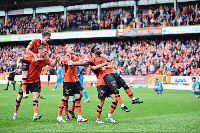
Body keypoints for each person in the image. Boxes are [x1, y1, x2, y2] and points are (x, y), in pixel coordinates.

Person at [13, 46, 59, 120]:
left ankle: (35, 114)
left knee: (35, 98)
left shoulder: (45, 60)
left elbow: (53, 65)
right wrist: (18, 63)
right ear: (40, 51)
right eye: (45, 51)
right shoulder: (31, 56)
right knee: (19, 98)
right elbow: (20, 58)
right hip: (26, 81)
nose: (46, 52)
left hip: (35, 82)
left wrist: (56, 60)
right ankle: (15, 113)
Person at [56, 44, 87, 122]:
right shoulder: (64, 58)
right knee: (65, 99)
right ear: (66, 49)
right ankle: (59, 116)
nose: (73, 48)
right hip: (68, 81)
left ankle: (79, 116)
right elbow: (70, 63)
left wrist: (85, 60)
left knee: (78, 97)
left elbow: (83, 60)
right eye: (71, 47)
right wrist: (82, 62)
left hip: (75, 81)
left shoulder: (75, 57)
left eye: (73, 47)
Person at [21, 31, 51, 98]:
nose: (48, 40)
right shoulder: (35, 41)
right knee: (25, 75)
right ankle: (24, 92)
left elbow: (45, 58)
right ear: (43, 37)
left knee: (37, 76)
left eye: (49, 38)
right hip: (28, 59)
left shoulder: (46, 46)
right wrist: (34, 55)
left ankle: (39, 92)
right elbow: (27, 49)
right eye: (47, 38)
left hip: (35, 60)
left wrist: (37, 59)